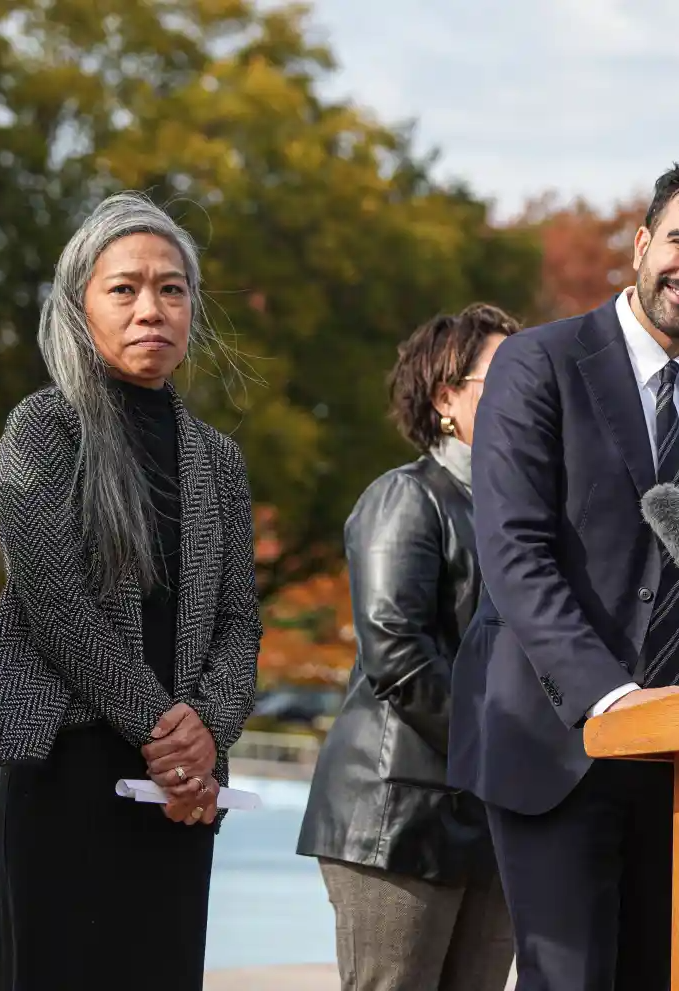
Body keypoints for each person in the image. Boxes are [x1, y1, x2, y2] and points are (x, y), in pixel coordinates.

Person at [448, 157, 679, 991]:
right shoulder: (538, 362)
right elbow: (513, 550)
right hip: (558, 739)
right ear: (640, 243)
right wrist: (613, 697)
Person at [0, 191, 262, 990]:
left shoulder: (218, 459)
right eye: (124, 288)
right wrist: (166, 731)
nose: (151, 309)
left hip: (180, 788)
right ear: (80, 306)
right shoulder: (43, 427)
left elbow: (240, 621)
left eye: (172, 288)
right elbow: (55, 603)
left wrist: (206, 732)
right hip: (66, 763)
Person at [297, 303, 518, 991]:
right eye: (507, 377)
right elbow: (397, 652)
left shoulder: (525, 518)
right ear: (446, 398)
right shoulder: (406, 497)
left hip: (494, 812)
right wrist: (499, 750)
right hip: (398, 816)